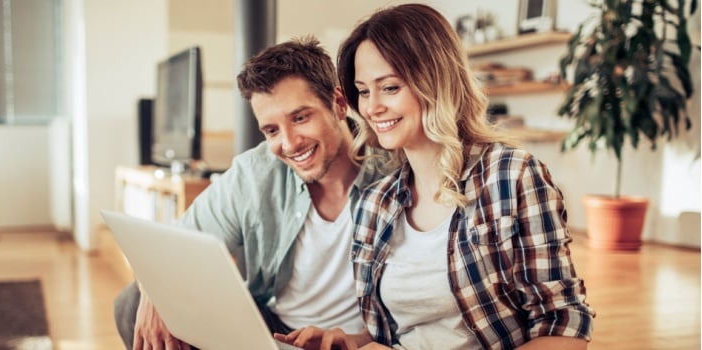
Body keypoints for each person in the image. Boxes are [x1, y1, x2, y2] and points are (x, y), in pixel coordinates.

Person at [281, 4, 596, 350]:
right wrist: (351, 342)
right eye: (364, 91)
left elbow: (563, 327)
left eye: (389, 87)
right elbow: (397, 333)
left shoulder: (512, 177)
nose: (371, 107)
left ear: (434, 81)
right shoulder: (376, 203)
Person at [113, 36, 387, 350]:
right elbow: (171, 248)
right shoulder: (256, 171)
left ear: (338, 103)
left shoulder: (392, 170)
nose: (289, 143)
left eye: (300, 117)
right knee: (132, 302)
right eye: (271, 130)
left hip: (352, 342)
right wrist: (154, 293)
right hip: (272, 330)